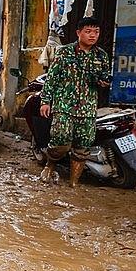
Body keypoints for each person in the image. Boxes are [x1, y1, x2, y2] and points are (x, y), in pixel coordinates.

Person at [39, 17, 111, 187]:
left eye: (96, 32)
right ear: (79, 33)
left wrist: (103, 82)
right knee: (60, 141)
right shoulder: (64, 52)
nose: (93, 35)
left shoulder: (101, 55)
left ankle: (73, 184)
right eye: (88, 31)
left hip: (88, 108)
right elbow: (52, 78)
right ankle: (51, 163)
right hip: (64, 106)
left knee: (82, 147)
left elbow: (105, 78)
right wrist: (45, 101)